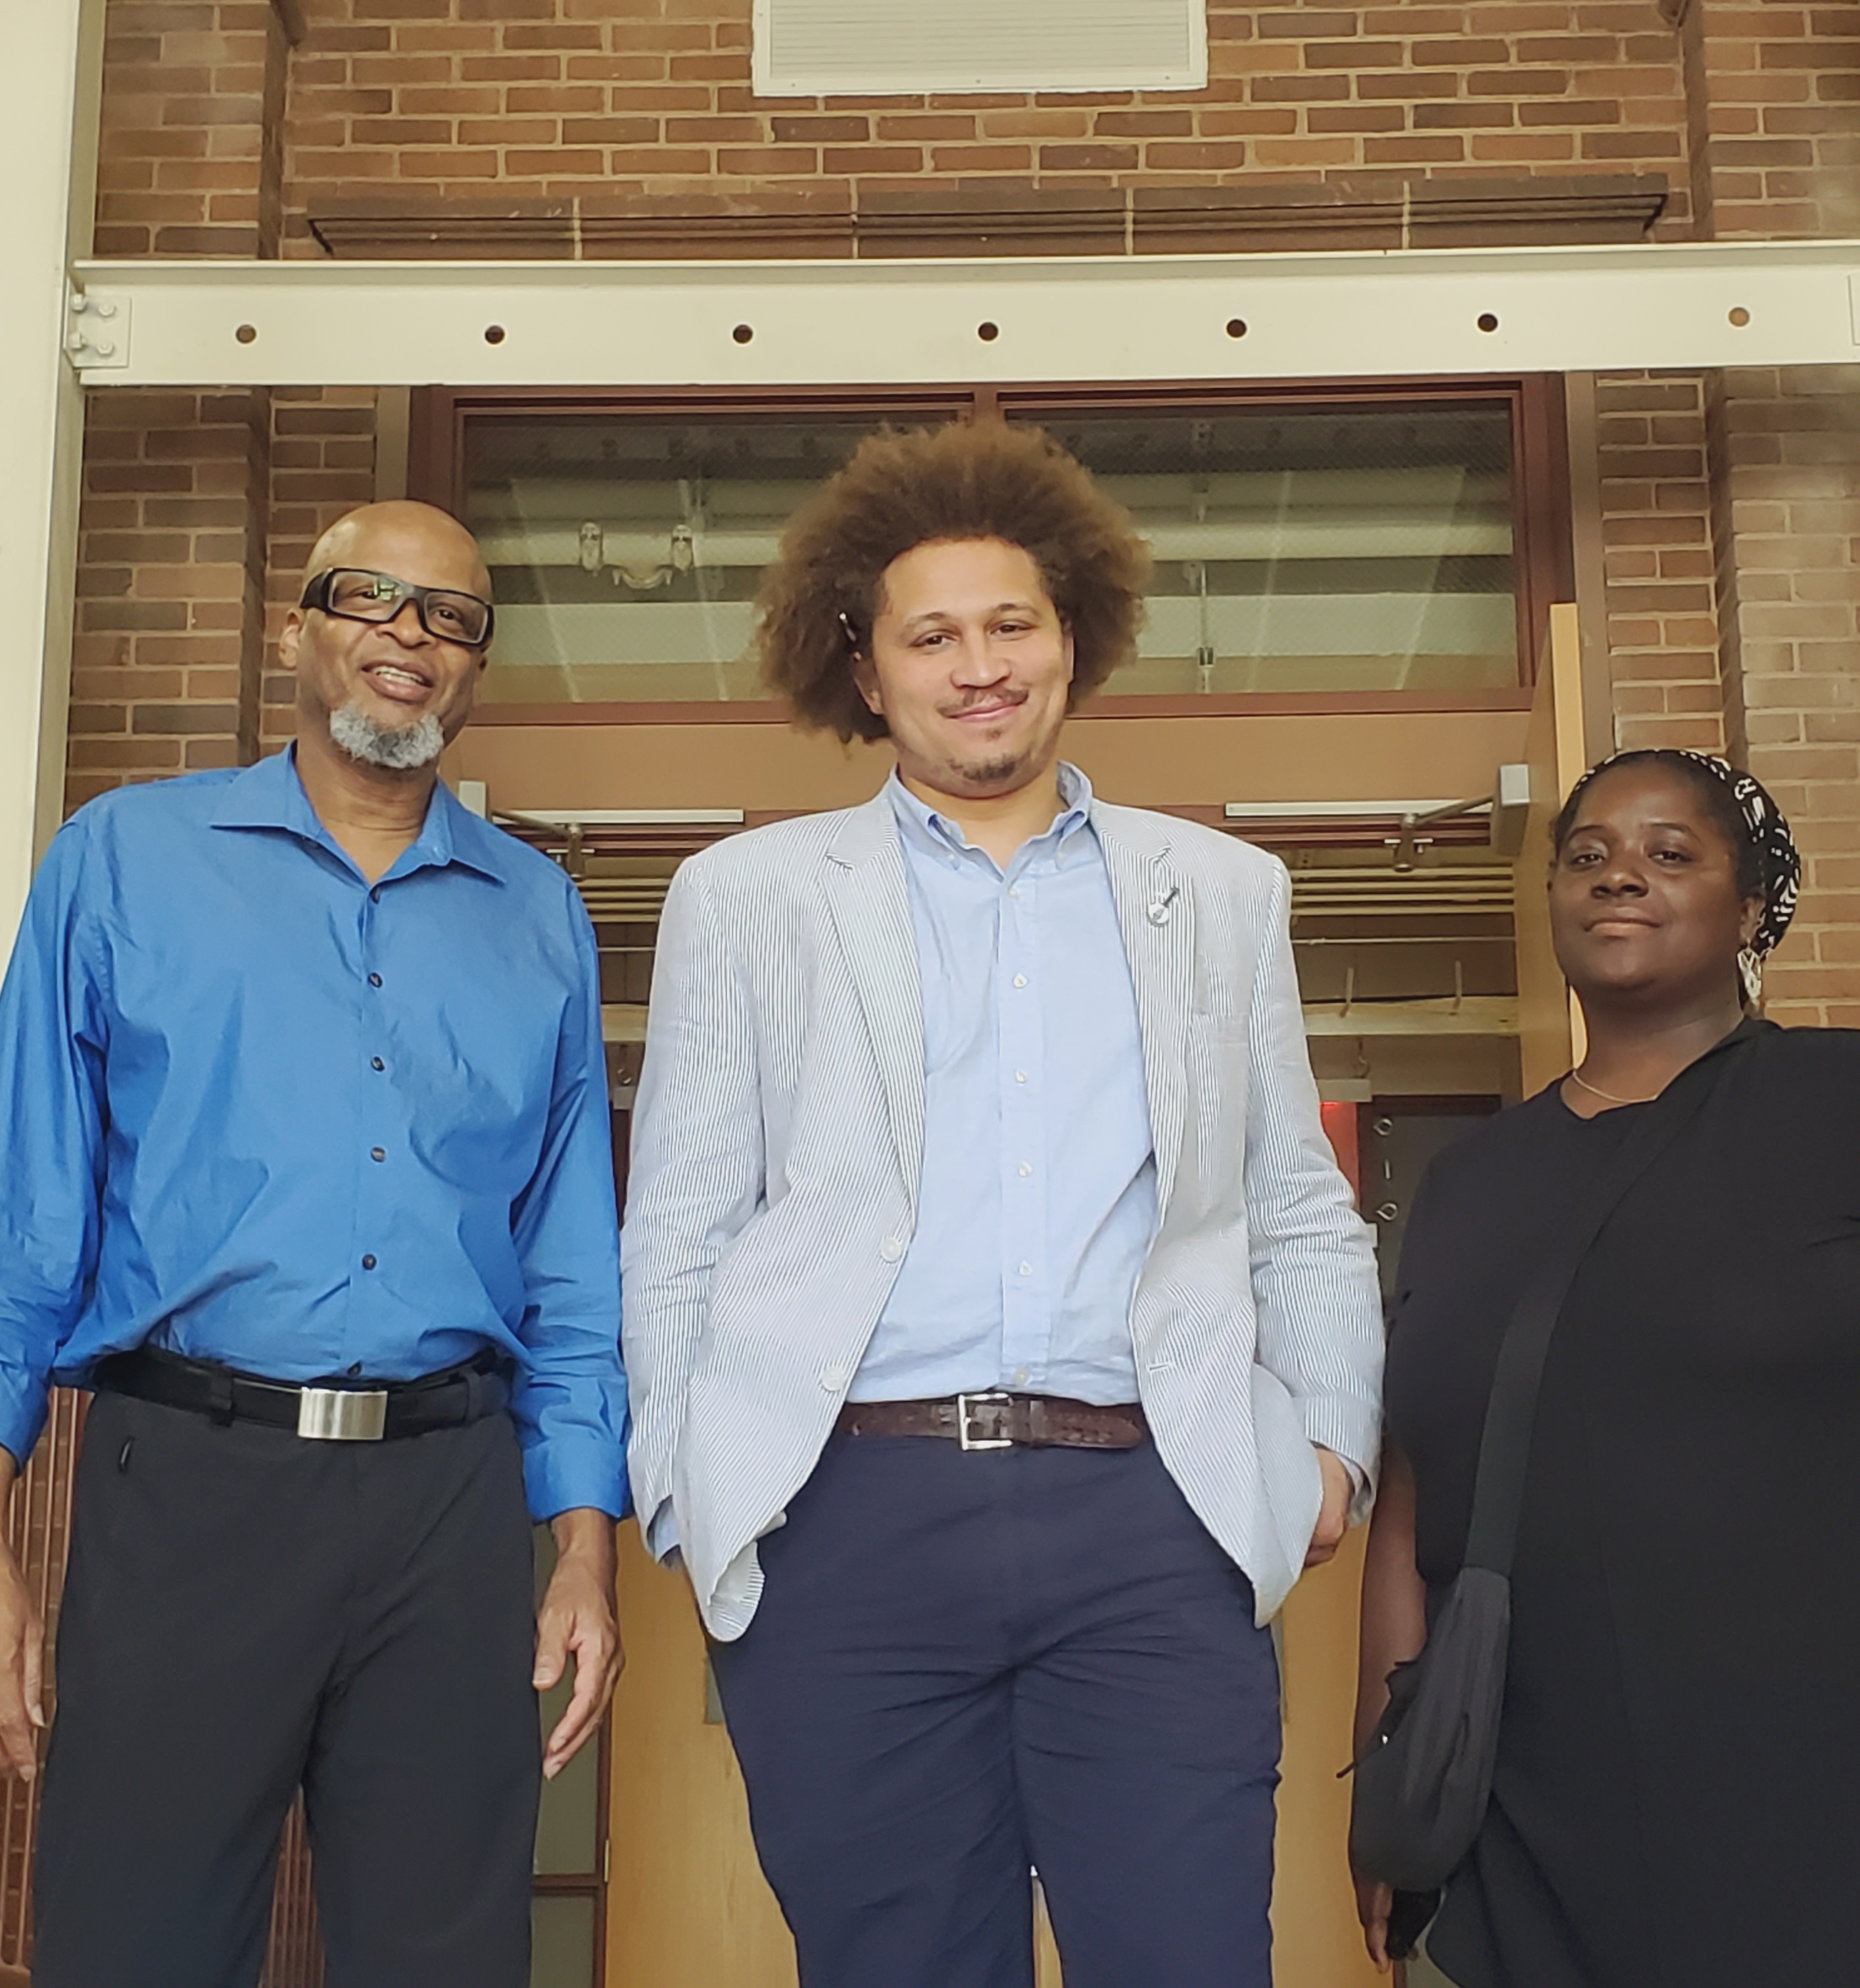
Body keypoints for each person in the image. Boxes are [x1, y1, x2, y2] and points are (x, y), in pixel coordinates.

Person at [620, 420, 1384, 1988]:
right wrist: (694, 1487)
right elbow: (681, 1218)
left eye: (1012, 624)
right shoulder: (749, 896)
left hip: (1152, 1511)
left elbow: (1294, 1203)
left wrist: (1329, 1456)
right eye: (934, 635)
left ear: (1073, 638)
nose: (980, 666)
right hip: (848, 1517)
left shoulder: (1220, 892)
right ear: (866, 666)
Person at [0, 500, 627, 1988]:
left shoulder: (539, 915)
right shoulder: (123, 863)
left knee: (450, 1960)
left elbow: (569, 1261)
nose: (408, 640)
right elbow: (21, 1215)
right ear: (289, 628)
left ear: (475, 663)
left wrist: (584, 1546)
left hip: (450, 1493)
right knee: (136, 1946)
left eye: (449, 617)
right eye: (371, 600)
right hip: (190, 1481)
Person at [1355, 747, 1860, 1988]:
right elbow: (1414, 1501)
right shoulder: (1469, 1183)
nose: (1622, 876)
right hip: (1555, 1807)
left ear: (1748, 908)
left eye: (1673, 854)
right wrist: (1392, 1787)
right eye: (1589, 855)